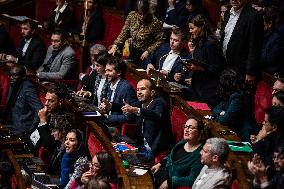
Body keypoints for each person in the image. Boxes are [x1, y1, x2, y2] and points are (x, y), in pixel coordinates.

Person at [122, 79, 174, 159]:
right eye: (137, 90)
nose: (139, 92)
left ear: (152, 92)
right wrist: (111, 106)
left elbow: (156, 115)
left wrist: (135, 110)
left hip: (154, 150)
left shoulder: (160, 102)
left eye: (143, 89)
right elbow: (128, 106)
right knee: (116, 148)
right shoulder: (141, 103)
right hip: (140, 146)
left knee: (124, 159)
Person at [150, 117, 205, 188]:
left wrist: (170, 182)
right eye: (185, 126)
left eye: (191, 128)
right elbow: (171, 155)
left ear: (199, 132)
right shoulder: (183, 142)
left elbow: (192, 179)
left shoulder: (200, 154)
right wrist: (160, 164)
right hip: (164, 173)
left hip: (173, 184)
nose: (186, 130)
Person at [183, 14, 224, 108]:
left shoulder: (211, 44)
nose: (190, 31)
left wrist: (199, 67)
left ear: (201, 27)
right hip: (198, 87)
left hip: (208, 91)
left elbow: (217, 68)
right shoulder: (199, 41)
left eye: (192, 28)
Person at [108, 0, 164, 68]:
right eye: (140, 14)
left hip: (144, 54)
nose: (142, 16)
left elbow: (160, 40)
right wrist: (115, 45)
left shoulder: (154, 22)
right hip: (132, 50)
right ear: (136, 12)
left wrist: (148, 51)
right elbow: (124, 32)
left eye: (144, 14)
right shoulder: (131, 16)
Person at [221, 0, 263, 84]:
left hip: (241, 68)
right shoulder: (227, 12)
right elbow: (225, 37)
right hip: (225, 64)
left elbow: (255, 46)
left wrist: (250, 72)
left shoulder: (254, 16)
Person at [29, 85, 76, 158]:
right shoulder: (50, 111)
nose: (46, 103)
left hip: (51, 156)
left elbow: (48, 144)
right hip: (34, 146)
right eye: (46, 100)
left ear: (60, 101)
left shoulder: (65, 118)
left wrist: (43, 120)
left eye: (51, 101)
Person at [4, 65, 43, 137]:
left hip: (21, 129)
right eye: (10, 75)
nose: (11, 78)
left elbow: (39, 110)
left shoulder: (28, 87)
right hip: (9, 124)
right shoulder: (13, 84)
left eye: (14, 75)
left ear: (23, 77)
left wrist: (30, 130)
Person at [98, 56, 137, 127]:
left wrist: (108, 117)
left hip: (117, 128)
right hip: (107, 124)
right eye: (106, 70)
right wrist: (104, 108)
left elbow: (129, 117)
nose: (106, 73)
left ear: (119, 72)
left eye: (109, 71)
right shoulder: (109, 83)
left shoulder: (126, 88)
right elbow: (111, 106)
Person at [212, 69, 248, 140]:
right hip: (230, 127)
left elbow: (224, 120)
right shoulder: (228, 94)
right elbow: (215, 108)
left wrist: (218, 117)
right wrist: (221, 112)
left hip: (238, 133)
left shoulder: (237, 97)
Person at [261, 6, 284, 76]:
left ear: (269, 23)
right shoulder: (264, 32)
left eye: (262, 23)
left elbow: (266, 59)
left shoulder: (278, 38)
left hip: (270, 74)